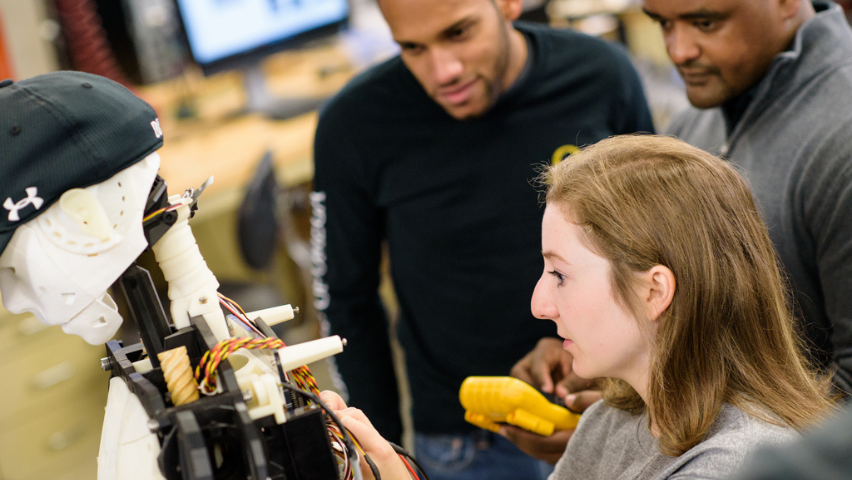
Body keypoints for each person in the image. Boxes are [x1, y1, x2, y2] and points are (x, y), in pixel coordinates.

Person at [319, 134, 837, 480]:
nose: (539, 304)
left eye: (560, 274)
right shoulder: (614, 418)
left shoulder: (732, 466)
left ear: (654, 291)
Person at [311, 0, 654, 475]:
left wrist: (629, 388)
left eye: (459, 33)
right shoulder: (353, 126)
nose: (442, 71)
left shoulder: (600, 75)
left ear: (509, 5)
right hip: (465, 443)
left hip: (618, 409)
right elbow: (346, 299)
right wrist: (376, 453)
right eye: (412, 47)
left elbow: (657, 245)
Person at [647, 0, 852, 394]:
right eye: (662, 24)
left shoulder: (840, 137)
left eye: (705, 22)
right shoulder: (693, 123)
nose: (677, 51)